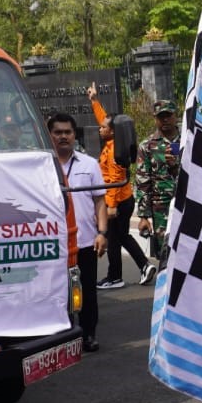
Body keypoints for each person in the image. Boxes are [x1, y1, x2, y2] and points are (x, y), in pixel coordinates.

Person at [51, 112, 108, 352]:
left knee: (87, 292)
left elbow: (100, 201)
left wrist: (102, 232)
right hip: (54, 244)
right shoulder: (42, 166)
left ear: (75, 135)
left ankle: (88, 334)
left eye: (68, 132)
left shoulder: (89, 164)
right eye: (58, 132)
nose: (63, 136)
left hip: (85, 240)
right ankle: (63, 336)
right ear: (49, 135)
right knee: (56, 292)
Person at [89, 84, 151, 289]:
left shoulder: (115, 150)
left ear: (112, 132)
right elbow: (105, 120)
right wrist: (94, 100)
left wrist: (111, 205)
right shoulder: (113, 141)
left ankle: (119, 275)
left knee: (116, 237)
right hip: (122, 200)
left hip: (118, 201)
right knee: (118, 237)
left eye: (104, 128)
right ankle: (137, 268)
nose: (100, 128)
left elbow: (115, 178)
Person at [136, 98, 183, 277]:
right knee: (165, 252)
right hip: (161, 209)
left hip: (187, 204)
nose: (165, 120)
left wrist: (176, 165)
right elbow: (143, 181)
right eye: (160, 116)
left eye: (168, 116)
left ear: (175, 116)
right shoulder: (147, 146)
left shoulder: (189, 139)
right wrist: (143, 216)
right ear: (155, 118)